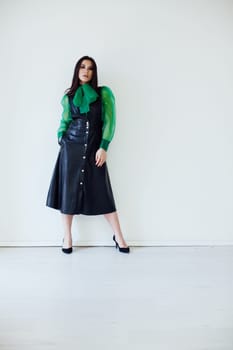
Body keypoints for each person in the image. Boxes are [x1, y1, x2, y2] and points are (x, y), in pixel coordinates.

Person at [46, 55, 130, 254]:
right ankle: (67, 237)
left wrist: (104, 146)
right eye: (82, 67)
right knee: (68, 193)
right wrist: (61, 138)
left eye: (90, 68)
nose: (86, 70)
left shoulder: (104, 94)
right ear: (77, 70)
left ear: (94, 72)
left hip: (94, 149)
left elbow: (110, 121)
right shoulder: (68, 97)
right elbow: (64, 121)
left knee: (103, 192)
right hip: (70, 149)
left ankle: (119, 236)